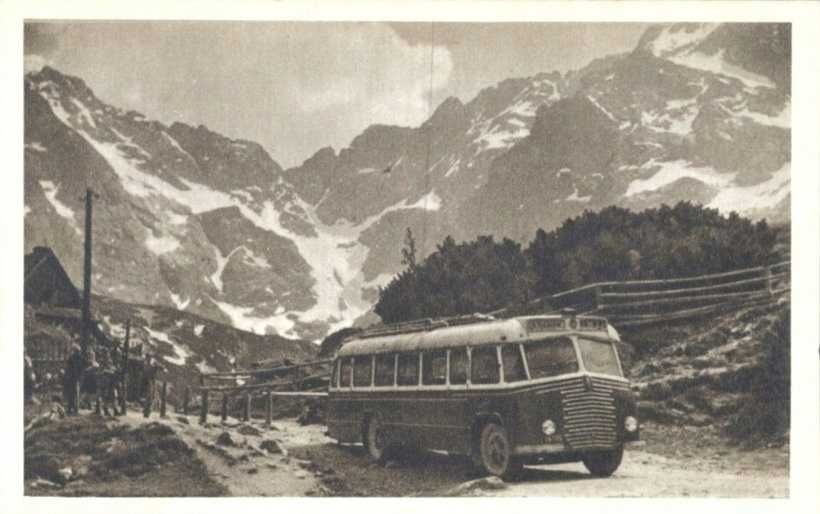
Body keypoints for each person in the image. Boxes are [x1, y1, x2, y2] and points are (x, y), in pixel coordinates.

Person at [141, 353, 165, 418]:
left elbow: (160, 368)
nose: (149, 359)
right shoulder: (148, 365)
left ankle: (147, 412)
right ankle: (146, 413)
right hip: (149, 381)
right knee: (150, 397)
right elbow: (160, 368)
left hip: (149, 381)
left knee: (150, 397)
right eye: (149, 357)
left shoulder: (146, 364)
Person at [63, 343, 84, 415]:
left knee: (75, 393)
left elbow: (81, 369)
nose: (77, 352)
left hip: (75, 378)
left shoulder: (79, 358)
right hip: (72, 377)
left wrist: (79, 377)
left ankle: (74, 409)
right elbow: (68, 368)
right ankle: (71, 408)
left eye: (77, 351)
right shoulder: (72, 358)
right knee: (72, 393)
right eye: (76, 351)